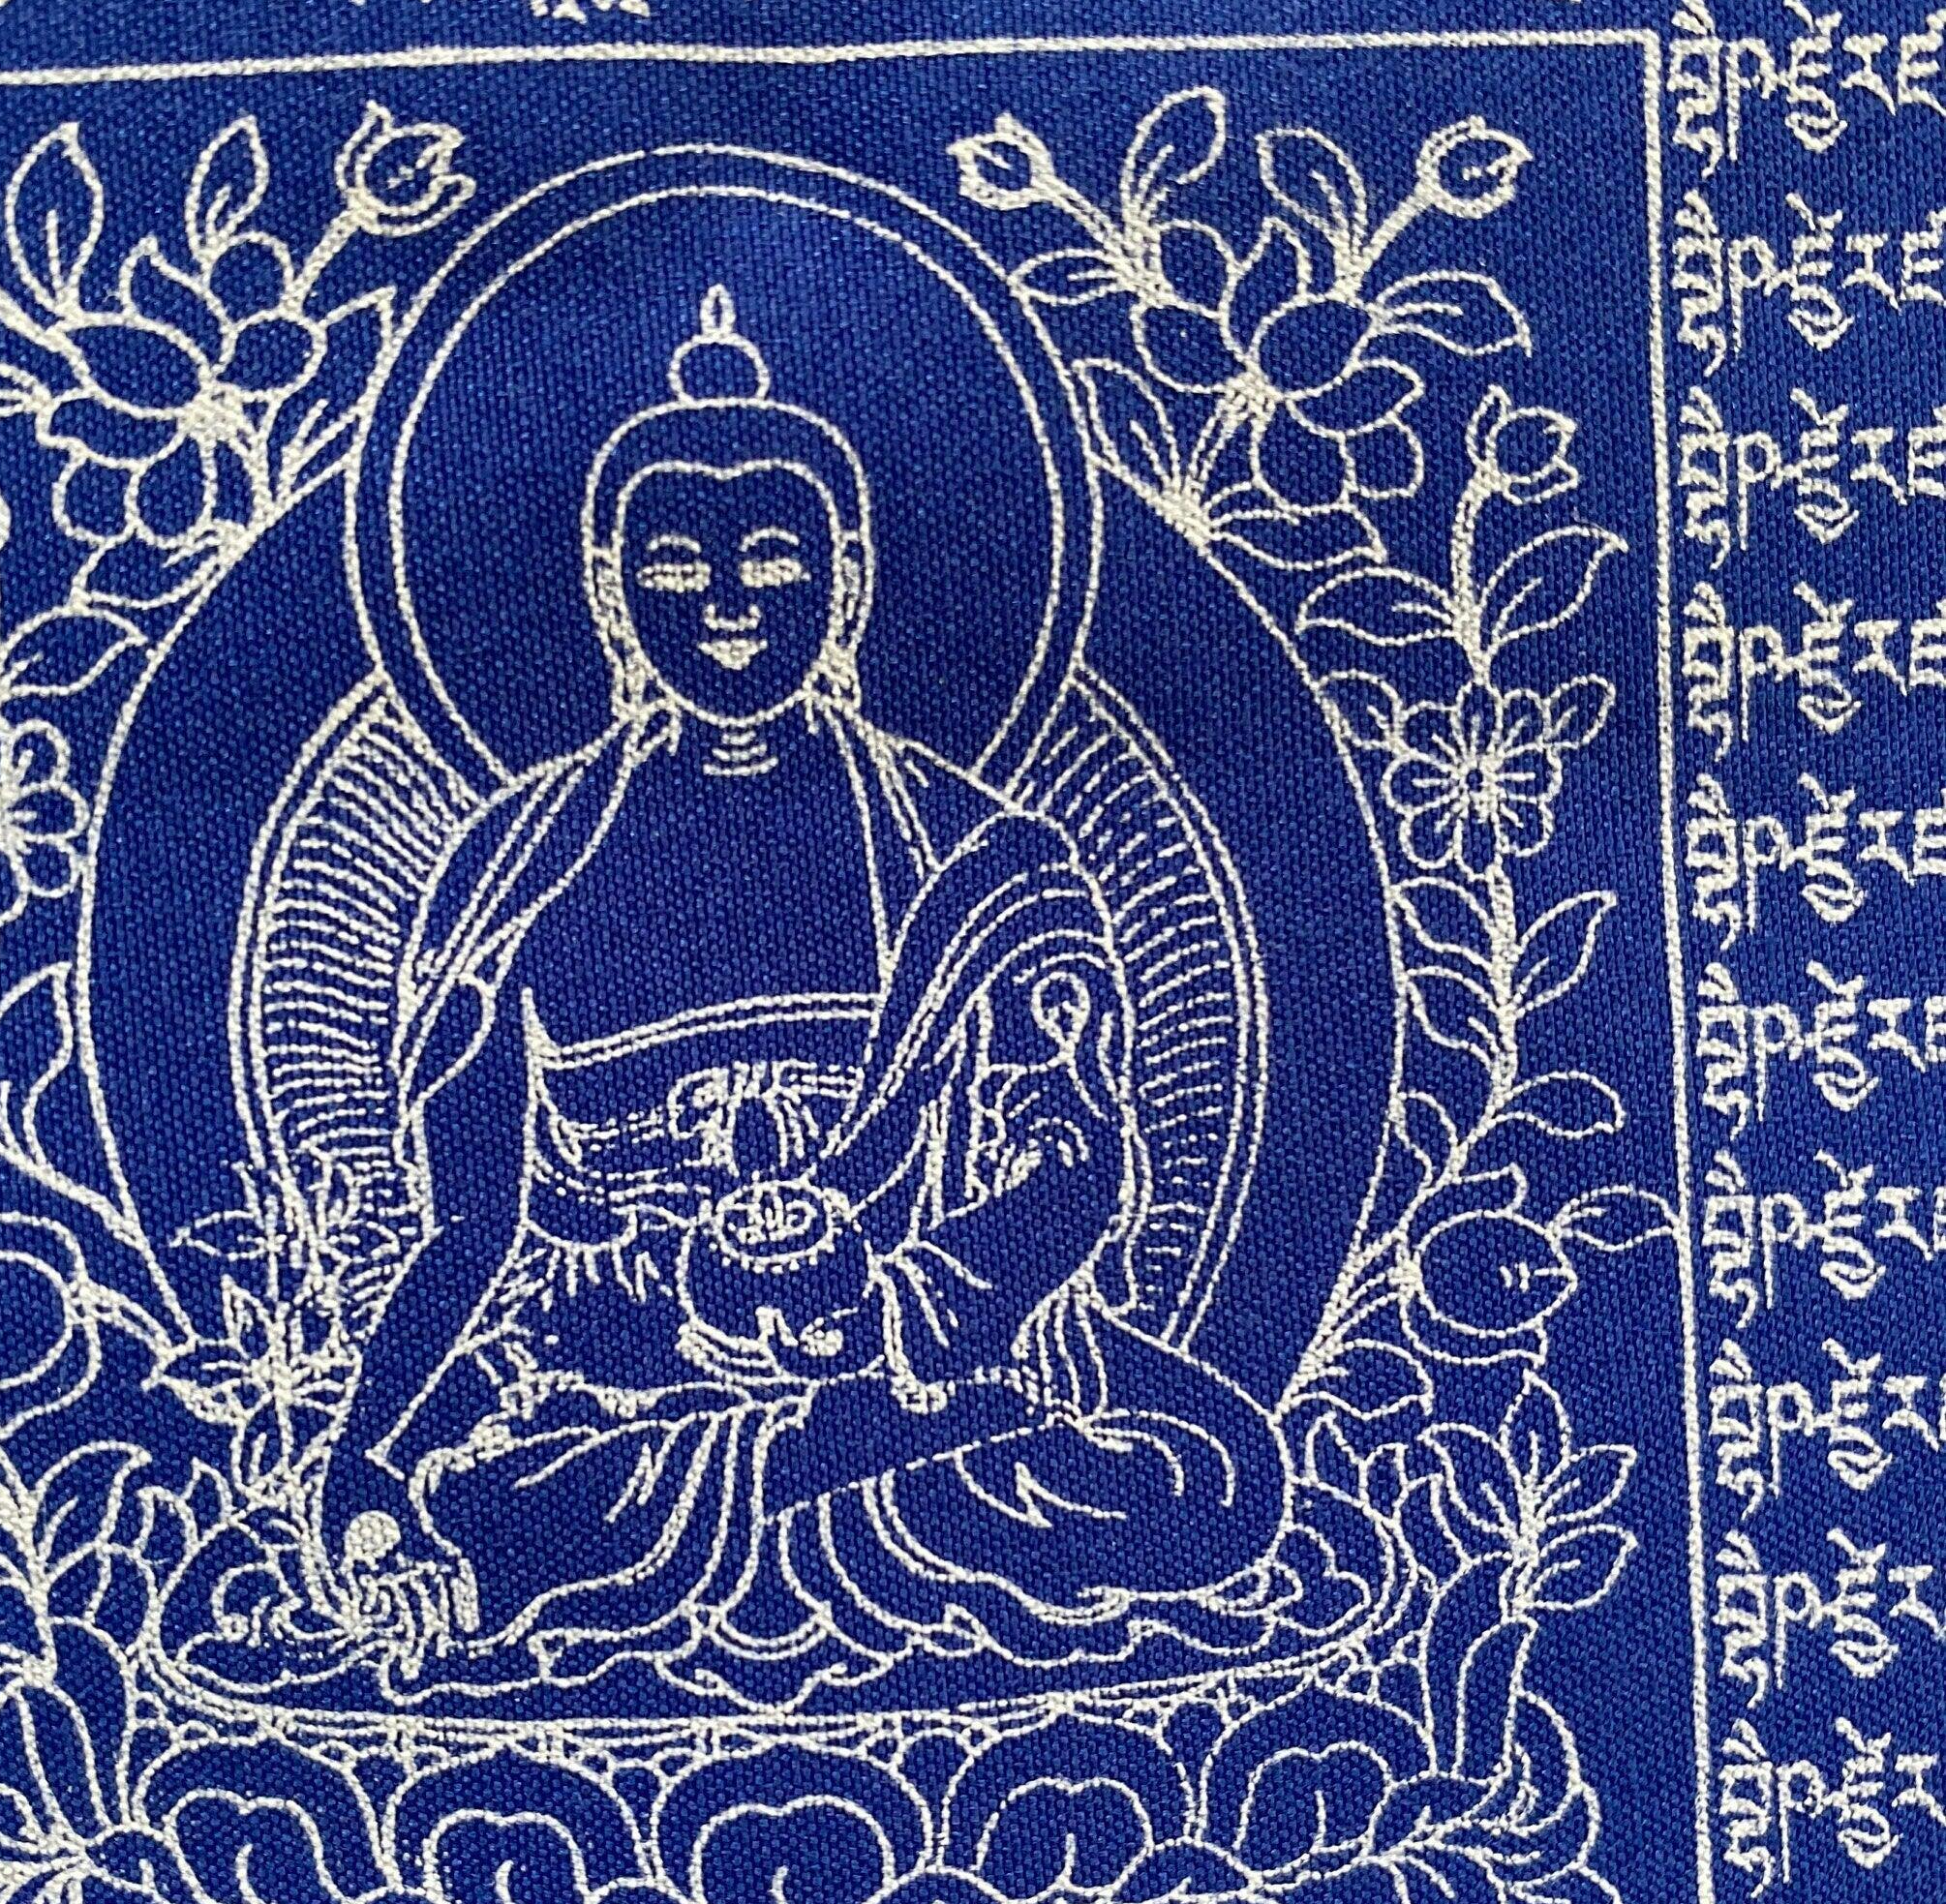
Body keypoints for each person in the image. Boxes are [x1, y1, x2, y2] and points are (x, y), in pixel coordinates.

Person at [319, 286, 1305, 1708]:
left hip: (919, 1360)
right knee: (480, 1487)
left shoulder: (976, 855)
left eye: (773, 561)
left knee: (1211, 1481)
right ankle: (737, 1485)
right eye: (674, 568)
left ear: (846, 580)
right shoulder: (516, 872)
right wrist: (362, 1459)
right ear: (606, 588)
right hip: (637, 1367)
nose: (726, 605)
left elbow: (1076, 1161)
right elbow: (474, 1228)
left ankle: (693, 1503)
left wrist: (896, 1296)